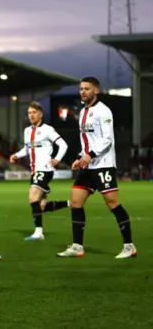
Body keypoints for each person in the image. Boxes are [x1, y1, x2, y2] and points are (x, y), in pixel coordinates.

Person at [57, 77, 136, 259]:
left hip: (104, 164)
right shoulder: (83, 112)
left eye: (87, 89)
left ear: (96, 91)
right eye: (81, 89)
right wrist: (80, 158)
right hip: (88, 165)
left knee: (112, 203)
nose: (82, 92)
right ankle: (77, 246)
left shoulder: (103, 111)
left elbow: (107, 139)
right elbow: (87, 142)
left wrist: (90, 155)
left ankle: (129, 245)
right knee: (76, 202)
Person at [10, 101, 69, 241]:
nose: (31, 115)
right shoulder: (27, 131)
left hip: (45, 169)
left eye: (34, 112)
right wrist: (16, 155)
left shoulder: (48, 129)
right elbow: (27, 149)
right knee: (41, 206)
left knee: (32, 197)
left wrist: (57, 159)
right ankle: (70, 203)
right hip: (34, 171)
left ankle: (38, 232)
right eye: (29, 113)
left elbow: (63, 145)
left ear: (41, 114)